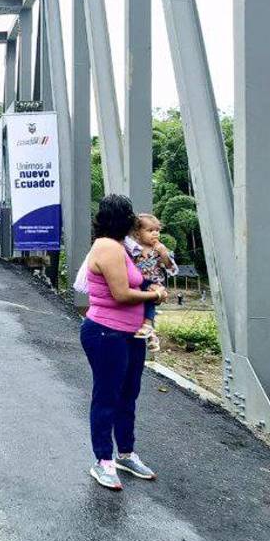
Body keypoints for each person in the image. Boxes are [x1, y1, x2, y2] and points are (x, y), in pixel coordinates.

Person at [79, 194, 167, 491]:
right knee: (107, 396)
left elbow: (145, 275)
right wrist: (155, 295)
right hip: (106, 333)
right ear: (124, 219)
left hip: (130, 335)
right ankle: (103, 460)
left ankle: (126, 454)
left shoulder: (124, 247)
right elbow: (120, 294)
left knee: (129, 393)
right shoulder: (106, 247)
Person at [126, 214, 178, 351]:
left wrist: (163, 253)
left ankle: (148, 326)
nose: (155, 233)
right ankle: (152, 336)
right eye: (150, 230)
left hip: (153, 282)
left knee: (150, 297)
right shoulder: (133, 248)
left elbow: (170, 267)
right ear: (138, 233)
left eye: (157, 230)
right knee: (141, 304)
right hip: (138, 282)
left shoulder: (159, 249)